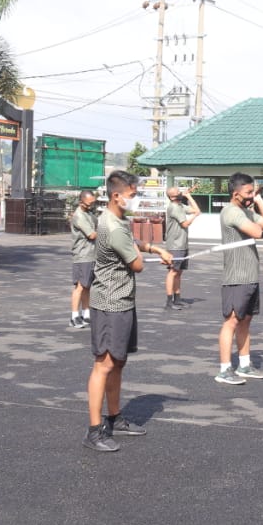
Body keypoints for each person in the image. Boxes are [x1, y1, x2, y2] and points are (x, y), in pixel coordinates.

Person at [83, 171, 172, 452]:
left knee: (118, 362)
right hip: (110, 303)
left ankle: (114, 418)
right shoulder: (114, 225)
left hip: (122, 300)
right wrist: (146, 254)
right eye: (133, 195)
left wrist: (155, 248)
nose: (136, 200)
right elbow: (137, 264)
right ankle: (95, 431)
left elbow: (134, 246)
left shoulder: (119, 220)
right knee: (104, 364)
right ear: (116, 195)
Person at [215, 174, 263, 385]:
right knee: (232, 322)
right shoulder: (232, 212)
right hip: (236, 277)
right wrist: (254, 209)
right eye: (248, 193)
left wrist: (259, 200)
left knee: (246, 321)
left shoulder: (245, 210)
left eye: (253, 192)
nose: (251, 196)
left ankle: (244, 365)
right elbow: (257, 231)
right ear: (235, 194)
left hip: (250, 275)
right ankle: (225, 369)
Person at [162, 186, 201, 310]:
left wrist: (189, 196)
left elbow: (196, 210)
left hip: (182, 244)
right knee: (173, 272)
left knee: (179, 273)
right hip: (175, 245)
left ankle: (177, 298)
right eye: (178, 193)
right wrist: (194, 217)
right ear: (172, 197)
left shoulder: (180, 206)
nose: (180, 193)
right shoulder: (174, 208)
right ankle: (169, 301)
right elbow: (185, 223)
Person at [68, 189, 98, 329]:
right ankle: (74, 316)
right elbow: (91, 235)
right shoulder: (79, 216)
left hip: (91, 254)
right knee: (80, 286)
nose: (91, 205)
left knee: (87, 286)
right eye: (88, 203)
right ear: (81, 202)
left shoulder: (89, 213)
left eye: (93, 203)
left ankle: (87, 314)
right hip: (82, 255)